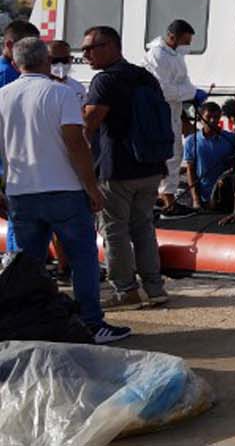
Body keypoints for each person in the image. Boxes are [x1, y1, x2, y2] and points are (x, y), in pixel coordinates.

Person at [0, 36, 131, 343]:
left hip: (21, 192)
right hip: (64, 191)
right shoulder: (60, 94)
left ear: (17, 62)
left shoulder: (3, 96)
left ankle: (29, 325)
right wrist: (91, 187)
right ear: (45, 60)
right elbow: (76, 143)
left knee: (26, 265)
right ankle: (91, 323)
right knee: (83, 257)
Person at [78, 25, 171, 309]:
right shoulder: (145, 76)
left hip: (117, 168)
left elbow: (88, 125)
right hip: (151, 165)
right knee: (143, 227)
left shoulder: (105, 81)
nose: (85, 55)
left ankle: (126, 290)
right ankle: (155, 288)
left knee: (114, 230)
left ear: (111, 46)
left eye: (90, 49)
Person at [144, 19, 206, 215]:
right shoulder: (157, 55)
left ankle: (166, 198)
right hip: (158, 112)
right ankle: (165, 200)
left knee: (174, 152)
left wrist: (192, 93)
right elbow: (163, 89)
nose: (187, 46)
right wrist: (191, 94)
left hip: (173, 111)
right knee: (165, 154)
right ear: (172, 37)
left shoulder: (175, 55)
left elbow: (184, 82)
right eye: (185, 41)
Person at [183, 101, 235, 210]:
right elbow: (191, 171)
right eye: (208, 117)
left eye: (216, 117)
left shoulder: (230, 138)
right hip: (204, 197)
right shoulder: (191, 141)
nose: (212, 120)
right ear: (200, 117)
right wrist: (196, 199)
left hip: (227, 195)